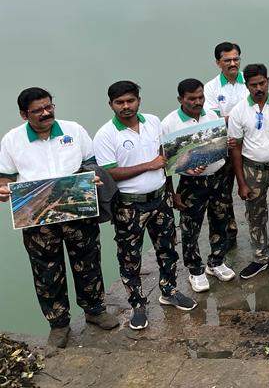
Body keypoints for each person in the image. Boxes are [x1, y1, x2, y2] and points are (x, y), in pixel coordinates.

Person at [0, 87, 119, 348]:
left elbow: (91, 162)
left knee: (87, 261)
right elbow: (6, 176)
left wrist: (94, 177)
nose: (46, 113)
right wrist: (3, 189)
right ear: (23, 114)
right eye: (38, 110)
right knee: (46, 271)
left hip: (78, 211)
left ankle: (95, 310)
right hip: (37, 218)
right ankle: (58, 323)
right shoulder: (12, 140)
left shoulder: (73, 130)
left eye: (49, 107)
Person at [93, 81, 196, 331]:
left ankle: (169, 290)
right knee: (130, 258)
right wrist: (147, 165)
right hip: (129, 207)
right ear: (111, 105)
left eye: (130, 101)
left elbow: (165, 159)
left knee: (168, 249)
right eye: (120, 103)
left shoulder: (153, 122)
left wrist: (172, 192)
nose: (126, 106)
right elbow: (110, 174)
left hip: (160, 199)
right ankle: (138, 304)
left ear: (139, 100)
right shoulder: (105, 135)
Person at [160, 79, 236, 293]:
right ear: (180, 99)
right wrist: (172, 192)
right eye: (192, 98)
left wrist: (227, 143)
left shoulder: (212, 116)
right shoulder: (169, 123)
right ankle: (195, 270)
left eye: (200, 97)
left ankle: (217, 262)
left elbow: (220, 144)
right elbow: (165, 161)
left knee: (220, 219)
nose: (197, 102)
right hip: (191, 183)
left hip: (218, 177)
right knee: (190, 227)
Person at [228, 64, 269, 280]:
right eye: (253, 85)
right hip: (252, 168)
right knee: (255, 215)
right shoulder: (238, 110)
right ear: (246, 85)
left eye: (262, 83)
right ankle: (261, 258)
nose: (258, 88)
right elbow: (235, 147)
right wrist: (241, 182)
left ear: (268, 81)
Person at [202, 41, 244, 249]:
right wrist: (241, 116)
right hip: (224, 147)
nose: (233, 63)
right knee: (222, 194)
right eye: (227, 60)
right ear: (218, 63)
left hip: (249, 145)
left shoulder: (251, 82)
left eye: (236, 59)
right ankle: (228, 234)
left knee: (252, 190)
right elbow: (213, 120)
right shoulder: (210, 88)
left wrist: (230, 117)